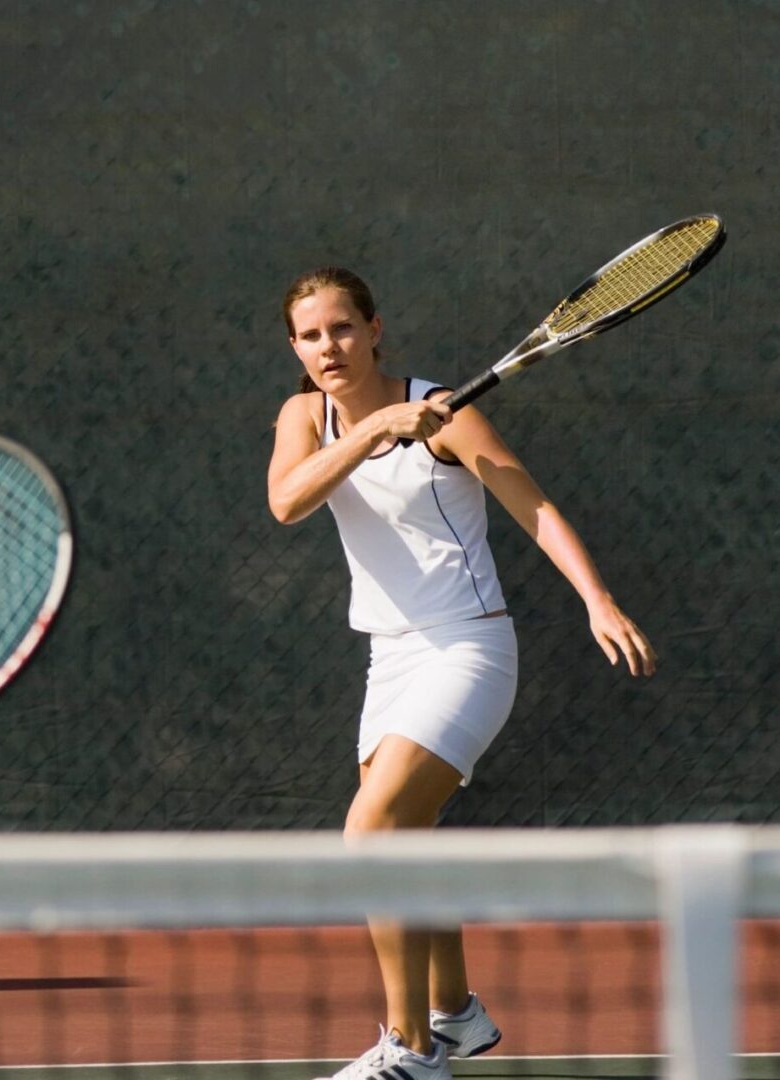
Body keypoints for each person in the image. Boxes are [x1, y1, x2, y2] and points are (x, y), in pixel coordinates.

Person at [266, 268, 658, 1080]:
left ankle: (409, 1050)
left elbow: (534, 507)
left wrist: (598, 600)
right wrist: (372, 434)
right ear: (295, 348)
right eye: (310, 335)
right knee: (405, 836)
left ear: (375, 330)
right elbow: (287, 501)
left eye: (342, 328)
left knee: (370, 829)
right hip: (390, 655)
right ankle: (459, 1015)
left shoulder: (450, 414)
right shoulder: (304, 415)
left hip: (467, 649)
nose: (327, 348)